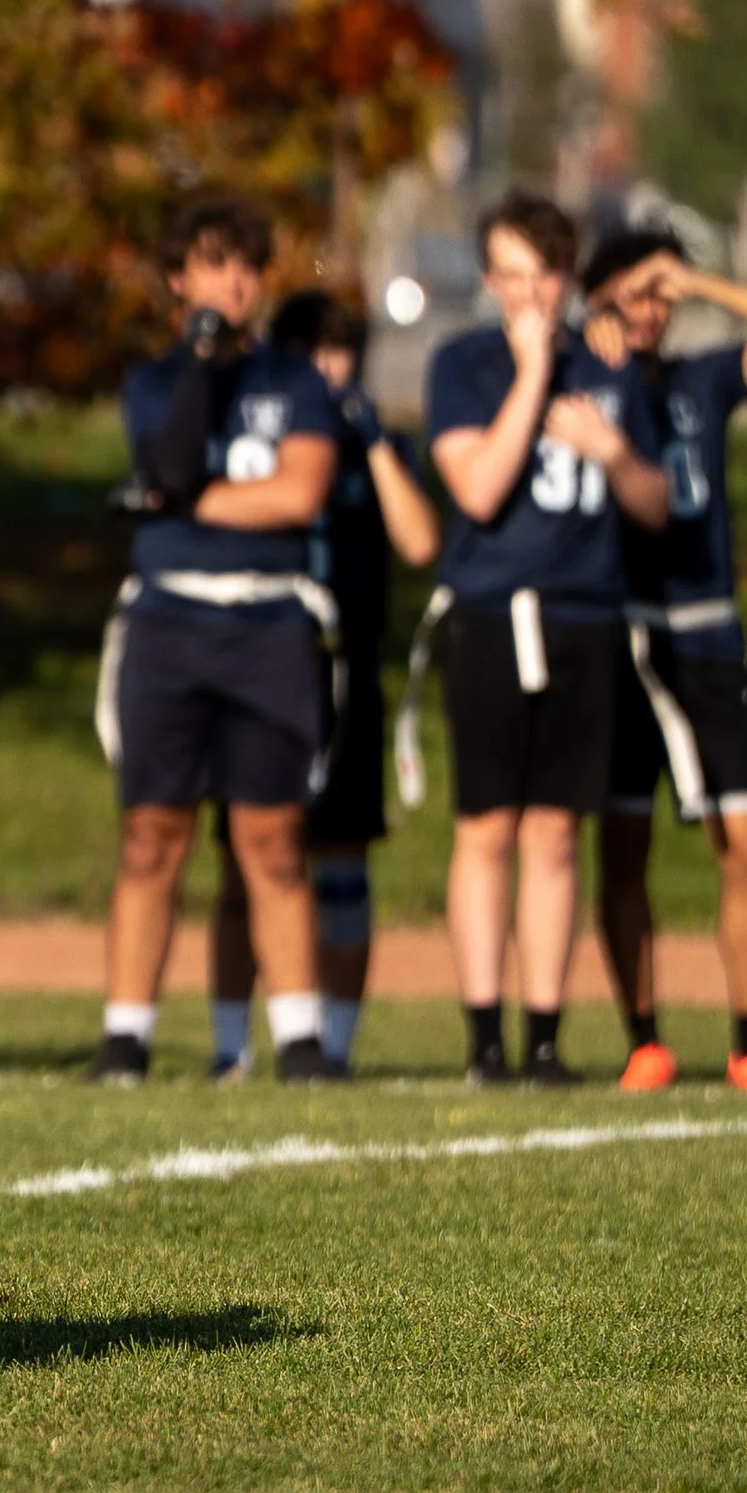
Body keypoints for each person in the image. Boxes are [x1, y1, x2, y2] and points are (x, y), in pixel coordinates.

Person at [95, 194, 340, 1086]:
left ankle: (302, 1039)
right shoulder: (157, 379)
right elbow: (162, 461)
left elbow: (297, 494)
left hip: (269, 625)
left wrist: (183, 503)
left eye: (247, 265)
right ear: (178, 278)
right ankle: (126, 1037)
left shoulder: (295, 380)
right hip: (168, 623)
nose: (235, 282)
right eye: (213, 264)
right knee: (152, 835)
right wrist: (201, 360)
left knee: (272, 840)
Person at [422, 192, 666, 1087]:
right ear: (490, 281)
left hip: (584, 618)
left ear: (568, 281)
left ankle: (547, 1036)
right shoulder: (466, 363)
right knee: (485, 828)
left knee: (556, 834)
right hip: (491, 615)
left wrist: (612, 452)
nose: (527, 296)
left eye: (543, 278)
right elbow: (478, 492)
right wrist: (530, 376)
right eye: (511, 279)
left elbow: (654, 506)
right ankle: (483, 1037)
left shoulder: (607, 367)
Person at [207, 290, 439, 1079]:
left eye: (343, 354)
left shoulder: (379, 447)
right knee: (248, 861)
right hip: (260, 654)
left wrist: (373, 445)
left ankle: (331, 1046)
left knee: (342, 862)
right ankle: (230, 1045)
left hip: (343, 666)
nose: (330, 371)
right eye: (315, 354)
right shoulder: (255, 436)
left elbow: (417, 542)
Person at [582, 228, 747, 1096]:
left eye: (660, 294)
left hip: (706, 634)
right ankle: (645, 1039)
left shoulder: (703, 377)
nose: (650, 310)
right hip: (619, 632)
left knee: (742, 841)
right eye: (634, 292)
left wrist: (704, 283)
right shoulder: (579, 380)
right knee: (622, 839)